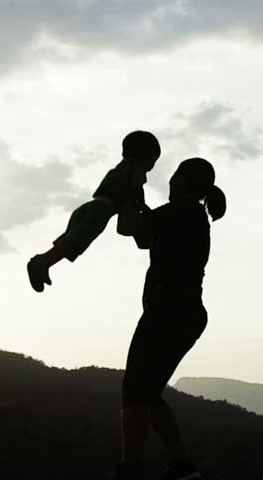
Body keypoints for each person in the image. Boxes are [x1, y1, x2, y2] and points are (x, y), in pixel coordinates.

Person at [114, 157, 226, 480]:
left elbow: (127, 227)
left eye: (175, 175)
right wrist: (136, 196)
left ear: (184, 182)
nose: (170, 180)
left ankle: (130, 469)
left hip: (168, 312)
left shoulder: (181, 212)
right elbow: (142, 238)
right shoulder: (189, 216)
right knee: (148, 393)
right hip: (184, 314)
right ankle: (181, 466)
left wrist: (128, 188)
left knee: (135, 390)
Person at [26, 131, 160, 292]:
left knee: (69, 243)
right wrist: (142, 209)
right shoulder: (136, 168)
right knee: (73, 244)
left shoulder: (119, 169)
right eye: (153, 159)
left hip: (89, 207)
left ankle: (43, 262)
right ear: (146, 156)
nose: (152, 166)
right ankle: (40, 263)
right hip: (100, 212)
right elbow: (135, 190)